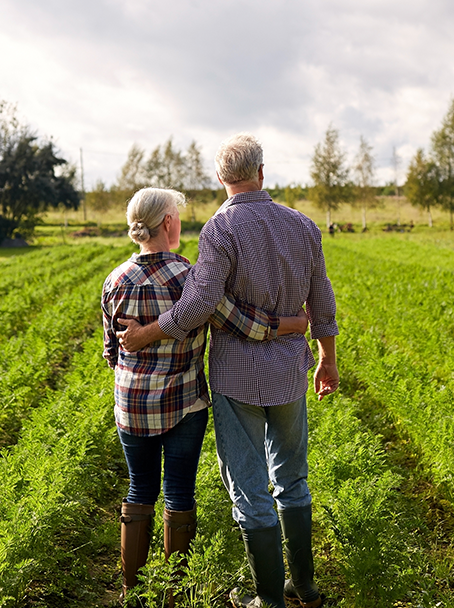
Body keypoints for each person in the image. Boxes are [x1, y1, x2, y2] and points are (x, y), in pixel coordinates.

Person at [120, 134, 339, 608]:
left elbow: (200, 303)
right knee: (293, 479)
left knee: (249, 486)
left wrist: (149, 333)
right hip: (287, 375)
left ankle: (269, 599)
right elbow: (321, 298)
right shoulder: (303, 226)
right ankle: (305, 586)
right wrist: (327, 357)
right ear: (262, 173)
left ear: (221, 179)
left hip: (236, 377)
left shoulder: (220, 230)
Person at [101, 187, 308, 600]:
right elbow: (238, 321)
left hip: (132, 405)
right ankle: (173, 589)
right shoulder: (189, 277)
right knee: (178, 491)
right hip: (183, 403)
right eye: (177, 214)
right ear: (167, 223)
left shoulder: (115, 279)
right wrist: (290, 324)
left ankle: (132, 590)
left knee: (139, 488)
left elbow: (111, 350)